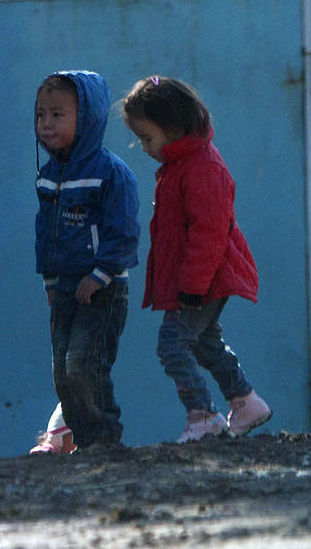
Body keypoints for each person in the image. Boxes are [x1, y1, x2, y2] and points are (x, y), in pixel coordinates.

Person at [122, 75, 271, 443]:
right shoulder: (181, 165)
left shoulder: (203, 169)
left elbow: (209, 235)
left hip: (204, 280)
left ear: (173, 128)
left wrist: (191, 287)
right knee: (204, 342)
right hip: (197, 280)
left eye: (147, 138)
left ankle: (203, 415)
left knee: (172, 346)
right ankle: (246, 401)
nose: (143, 147)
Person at [32, 70, 140, 452]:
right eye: (41, 115)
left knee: (83, 365)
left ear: (87, 118)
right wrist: (49, 279)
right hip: (62, 288)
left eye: (58, 115)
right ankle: (77, 439)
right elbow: (45, 231)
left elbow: (124, 232)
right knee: (62, 372)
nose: (47, 123)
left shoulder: (110, 173)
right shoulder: (48, 176)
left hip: (101, 290)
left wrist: (100, 274)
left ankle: (102, 440)